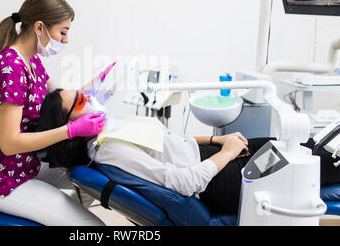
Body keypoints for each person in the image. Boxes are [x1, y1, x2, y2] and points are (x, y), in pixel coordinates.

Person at [37, 89, 340, 214]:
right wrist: (229, 153)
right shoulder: (109, 149)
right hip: (214, 182)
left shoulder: (107, 130)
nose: (88, 98)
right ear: (68, 126)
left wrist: (215, 140)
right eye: (79, 102)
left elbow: (166, 140)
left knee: (305, 143)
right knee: (322, 161)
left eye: (82, 93)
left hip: (209, 157)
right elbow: (183, 182)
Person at [0, 0, 114, 225]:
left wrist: (99, 83)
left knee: (95, 178)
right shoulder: (11, 70)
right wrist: (72, 130)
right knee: (93, 227)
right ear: (39, 28)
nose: (66, 40)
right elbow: (9, 144)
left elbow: (61, 98)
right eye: (63, 32)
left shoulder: (31, 60)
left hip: (26, 164)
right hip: (4, 180)